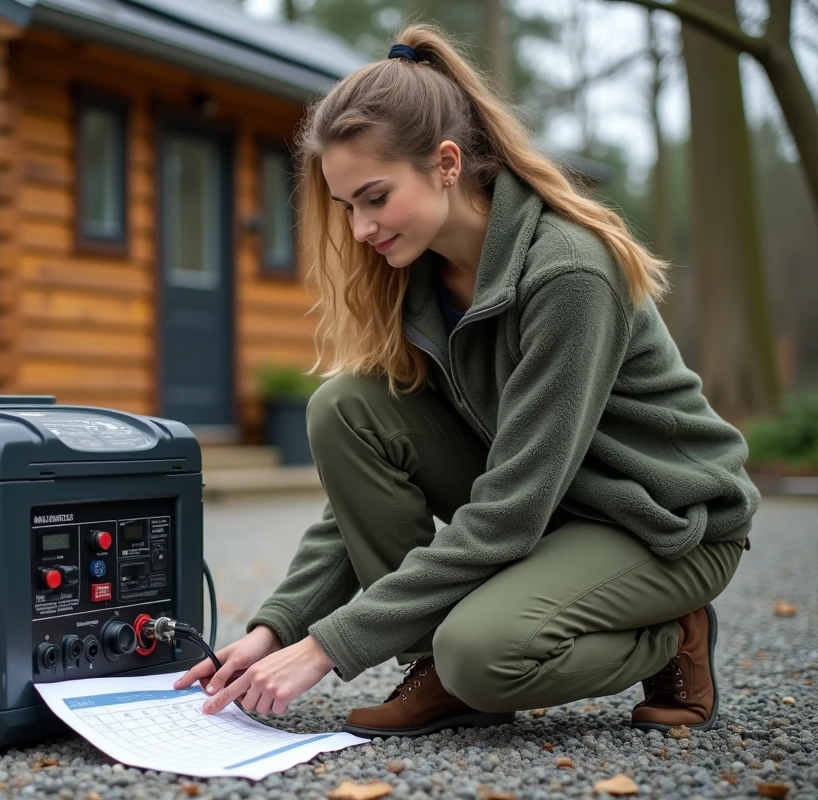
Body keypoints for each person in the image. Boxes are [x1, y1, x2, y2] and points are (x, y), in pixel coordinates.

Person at [173, 22, 759, 738]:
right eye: (346, 205)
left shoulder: (567, 273)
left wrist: (328, 647)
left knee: (480, 654)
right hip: (553, 510)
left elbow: (510, 511)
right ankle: (441, 671)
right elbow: (358, 501)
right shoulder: (418, 278)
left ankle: (670, 634)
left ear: (446, 163)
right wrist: (277, 627)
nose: (359, 228)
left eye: (375, 197)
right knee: (345, 410)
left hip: (662, 523)